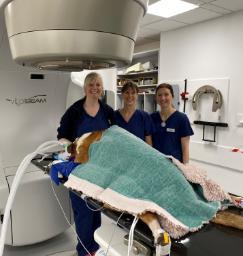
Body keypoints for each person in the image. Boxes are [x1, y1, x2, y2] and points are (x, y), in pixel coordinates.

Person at [57, 72, 114, 256]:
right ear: (85, 88)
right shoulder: (75, 111)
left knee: (95, 211)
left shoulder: (106, 110)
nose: (95, 88)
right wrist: (70, 147)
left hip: (100, 170)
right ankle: (84, 251)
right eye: (91, 85)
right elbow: (62, 135)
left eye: (98, 84)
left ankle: (94, 249)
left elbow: (116, 132)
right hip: (79, 170)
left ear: (102, 87)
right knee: (83, 214)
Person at [150, 83, 194, 164]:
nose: (163, 98)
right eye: (159, 95)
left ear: (172, 96)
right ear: (156, 98)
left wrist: (186, 169)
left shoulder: (181, 118)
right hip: (155, 164)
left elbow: (185, 149)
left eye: (166, 94)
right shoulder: (152, 118)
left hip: (175, 166)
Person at [114, 81, 154, 145]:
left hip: (139, 154)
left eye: (133, 93)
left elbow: (149, 144)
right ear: (122, 94)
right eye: (127, 92)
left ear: (137, 95)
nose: (130, 96)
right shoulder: (113, 116)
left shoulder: (144, 117)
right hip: (118, 154)